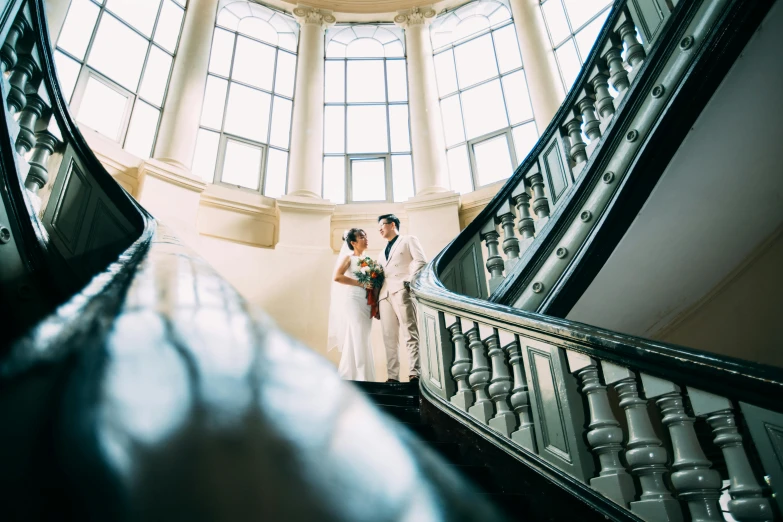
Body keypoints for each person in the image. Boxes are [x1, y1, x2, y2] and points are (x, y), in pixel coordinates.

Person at [377, 214, 427, 384]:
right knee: (388, 337)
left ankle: (414, 373)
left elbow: (421, 260)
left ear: (392, 225)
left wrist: (409, 280)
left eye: (382, 226)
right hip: (384, 295)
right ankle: (392, 377)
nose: (380, 229)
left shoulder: (408, 239)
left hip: (402, 289)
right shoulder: (380, 252)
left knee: (409, 331)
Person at [327, 228, 376, 381]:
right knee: (357, 332)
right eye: (362, 237)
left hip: (367, 302)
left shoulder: (368, 260)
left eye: (366, 235)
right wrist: (361, 283)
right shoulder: (349, 258)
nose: (366, 238)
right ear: (353, 242)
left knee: (361, 335)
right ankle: (361, 377)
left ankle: (354, 374)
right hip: (353, 299)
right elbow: (338, 277)